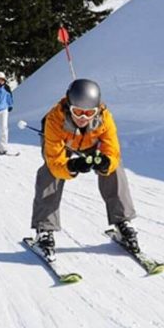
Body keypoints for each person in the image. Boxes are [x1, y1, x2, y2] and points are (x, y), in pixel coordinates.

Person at [30, 78, 138, 257]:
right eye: (77, 112)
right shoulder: (54, 119)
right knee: (50, 172)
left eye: (89, 113)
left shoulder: (105, 118)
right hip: (63, 144)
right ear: (69, 106)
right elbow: (55, 161)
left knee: (115, 167)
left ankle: (122, 221)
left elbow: (112, 151)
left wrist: (105, 162)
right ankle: (44, 229)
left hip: (90, 143)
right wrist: (72, 166)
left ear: (97, 110)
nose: (82, 118)